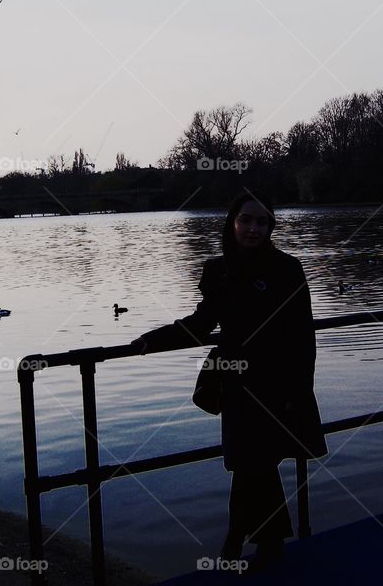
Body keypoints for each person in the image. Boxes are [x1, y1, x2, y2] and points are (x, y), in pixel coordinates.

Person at [133, 191, 327, 568]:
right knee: (249, 462)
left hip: (276, 381)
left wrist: (299, 390)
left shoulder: (288, 268)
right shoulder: (217, 270)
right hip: (234, 380)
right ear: (232, 223)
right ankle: (253, 540)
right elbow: (202, 322)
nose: (253, 228)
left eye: (261, 221)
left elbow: (303, 336)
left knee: (253, 462)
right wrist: (152, 340)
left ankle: (246, 541)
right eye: (246, 220)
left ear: (271, 226)